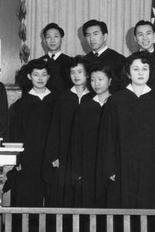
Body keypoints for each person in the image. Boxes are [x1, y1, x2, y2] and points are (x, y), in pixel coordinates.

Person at [96, 51, 155, 209]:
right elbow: (107, 138)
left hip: (152, 167)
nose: (141, 73)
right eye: (136, 69)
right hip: (122, 167)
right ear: (128, 72)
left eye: (145, 69)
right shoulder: (116, 101)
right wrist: (109, 168)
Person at [8, 59, 58, 208]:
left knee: (52, 200)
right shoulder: (20, 105)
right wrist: (17, 160)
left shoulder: (58, 101)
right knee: (27, 198)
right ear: (29, 76)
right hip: (28, 158)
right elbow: (15, 134)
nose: (40, 78)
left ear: (49, 76)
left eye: (44, 74)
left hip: (52, 158)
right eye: (36, 74)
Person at [43, 56, 91, 207]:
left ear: (88, 74)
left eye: (80, 71)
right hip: (65, 154)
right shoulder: (63, 98)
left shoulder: (94, 97)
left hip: (88, 154)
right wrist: (53, 155)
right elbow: (54, 129)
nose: (76, 76)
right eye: (72, 72)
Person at [68, 62, 112, 208]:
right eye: (92, 80)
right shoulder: (84, 108)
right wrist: (77, 171)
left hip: (110, 169)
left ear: (110, 81)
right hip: (87, 167)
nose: (96, 84)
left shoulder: (117, 104)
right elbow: (76, 141)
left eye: (100, 79)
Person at [82, 20, 125, 92]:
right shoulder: (83, 60)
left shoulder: (119, 59)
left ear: (105, 36)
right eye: (88, 35)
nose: (91, 39)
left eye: (95, 34)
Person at [37, 23, 73, 94]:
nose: (52, 40)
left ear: (61, 40)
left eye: (56, 36)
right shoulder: (38, 63)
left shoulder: (71, 62)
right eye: (48, 37)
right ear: (44, 41)